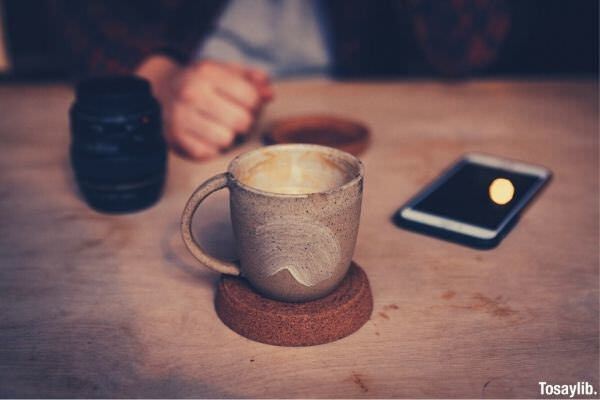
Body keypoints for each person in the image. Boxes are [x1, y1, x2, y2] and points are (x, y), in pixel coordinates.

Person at [30, 1, 515, 159]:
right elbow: (66, 17)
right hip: (190, 109)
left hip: (378, 116)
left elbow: (467, 48)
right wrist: (156, 79)